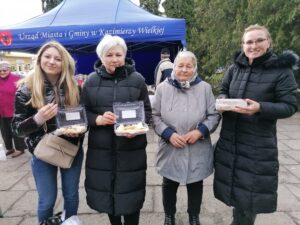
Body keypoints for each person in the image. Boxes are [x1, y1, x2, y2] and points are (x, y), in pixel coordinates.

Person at [213, 24, 299, 225]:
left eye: (259, 40)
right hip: (231, 142)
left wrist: (260, 107)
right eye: (249, 42)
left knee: (249, 197)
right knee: (236, 192)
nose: (254, 45)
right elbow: (224, 89)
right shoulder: (235, 68)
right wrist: (224, 100)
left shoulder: (281, 70)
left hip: (257, 146)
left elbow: (290, 106)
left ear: (269, 42)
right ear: (243, 45)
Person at [81, 34, 152, 225]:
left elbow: (147, 111)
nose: (114, 59)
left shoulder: (137, 80)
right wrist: (97, 119)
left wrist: (137, 128)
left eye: (118, 54)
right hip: (101, 151)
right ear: (101, 57)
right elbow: (83, 112)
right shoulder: (91, 81)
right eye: (109, 54)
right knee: (108, 196)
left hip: (131, 149)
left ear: (125, 55)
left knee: (131, 196)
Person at [11, 41, 84, 223]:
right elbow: (17, 128)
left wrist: (80, 131)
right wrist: (38, 119)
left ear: (64, 63)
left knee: (71, 196)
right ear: (40, 59)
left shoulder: (74, 87)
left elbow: (84, 118)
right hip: (42, 151)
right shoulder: (25, 89)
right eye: (48, 56)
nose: (52, 61)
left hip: (71, 148)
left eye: (58, 58)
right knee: (46, 201)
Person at [152, 50, 220, 225]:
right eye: (180, 65)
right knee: (169, 183)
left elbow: (213, 115)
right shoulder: (162, 88)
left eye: (188, 66)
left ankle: (194, 216)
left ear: (195, 68)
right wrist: (168, 134)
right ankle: (169, 216)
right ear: (174, 67)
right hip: (171, 147)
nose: (184, 69)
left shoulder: (204, 88)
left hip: (197, 146)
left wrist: (200, 131)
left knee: (195, 183)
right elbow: (155, 116)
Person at [0, 61, 26, 158]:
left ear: (9, 69)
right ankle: (9, 148)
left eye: (4, 70)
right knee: (4, 131)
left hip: (14, 110)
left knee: (16, 130)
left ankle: (20, 149)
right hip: (1, 111)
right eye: (0, 70)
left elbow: (23, 93)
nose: (2, 72)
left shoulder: (17, 79)